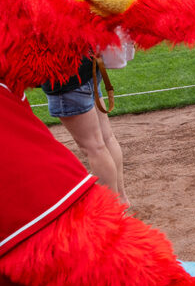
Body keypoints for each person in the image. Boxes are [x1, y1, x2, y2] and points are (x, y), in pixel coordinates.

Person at [41, 55, 129, 205]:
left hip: (66, 78)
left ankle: (112, 210)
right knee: (105, 139)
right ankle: (120, 200)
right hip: (86, 67)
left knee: (94, 147)